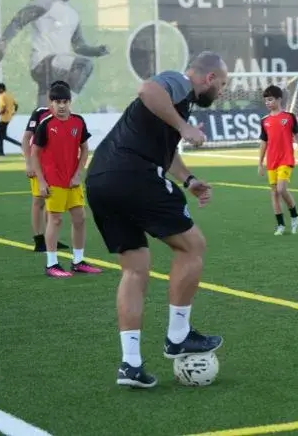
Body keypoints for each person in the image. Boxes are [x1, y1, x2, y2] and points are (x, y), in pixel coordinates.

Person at [85, 51, 227, 389]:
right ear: (208, 78)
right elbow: (147, 89)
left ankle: (130, 364)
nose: (220, 92)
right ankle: (178, 335)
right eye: (221, 85)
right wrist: (184, 125)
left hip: (101, 179)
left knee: (135, 268)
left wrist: (190, 180)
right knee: (193, 246)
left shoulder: (176, 103)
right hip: (134, 173)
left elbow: (167, 151)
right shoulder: (178, 83)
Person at [0, 0, 109, 108]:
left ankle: (44, 121)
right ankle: (61, 108)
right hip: (43, 62)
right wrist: (3, 42)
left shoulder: (73, 14)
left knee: (42, 112)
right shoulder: (45, 1)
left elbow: (79, 46)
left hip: (61, 65)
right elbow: (19, 21)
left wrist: (97, 51)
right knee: (84, 65)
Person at [31, 81, 101, 278]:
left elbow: (85, 148)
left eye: (65, 101)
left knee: (80, 218)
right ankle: (51, 264)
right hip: (53, 180)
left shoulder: (78, 121)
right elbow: (35, 154)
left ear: (70, 102)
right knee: (56, 219)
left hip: (72, 181)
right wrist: (42, 181)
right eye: (57, 102)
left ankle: (78, 261)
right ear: (50, 103)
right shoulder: (46, 124)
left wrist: (78, 172)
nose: (61, 106)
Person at [21, 81, 69, 252]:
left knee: (53, 202)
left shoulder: (68, 116)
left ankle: (51, 238)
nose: (61, 103)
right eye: (57, 98)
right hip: (39, 163)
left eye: (64, 99)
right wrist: (28, 163)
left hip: (56, 167)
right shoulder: (40, 113)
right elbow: (27, 138)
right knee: (38, 201)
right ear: (50, 98)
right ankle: (39, 239)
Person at [258, 85, 298, 235]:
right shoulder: (264, 121)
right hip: (272, 161)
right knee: (274, 194)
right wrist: (260, 162)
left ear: (279, 99)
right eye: (266, 100)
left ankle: (295, 215)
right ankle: (280, 225)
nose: (268, 103)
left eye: (270, 99)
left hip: (286, 159)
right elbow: (264, 142)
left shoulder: (289, 117)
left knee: (281, 189)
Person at [0, 83, 21, 156]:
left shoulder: (2, 96)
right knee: (2, 135)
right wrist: (14, 112)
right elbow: (16, 105)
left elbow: (3, 109)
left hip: (4, 118)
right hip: (8, 118)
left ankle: (21, 145)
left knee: (2, 135)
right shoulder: (9, 95)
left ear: (1, 89)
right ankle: (1, 152)